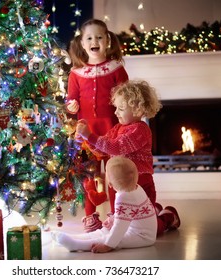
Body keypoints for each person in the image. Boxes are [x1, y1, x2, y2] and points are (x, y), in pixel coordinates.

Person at [76, 80, 180, 235]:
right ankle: (153, 209)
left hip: (140, 182)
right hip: (118, 182)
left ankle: (168, 216)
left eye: (121, 108)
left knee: (148, 229)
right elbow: (101, 151)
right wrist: (85, 139)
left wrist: (89, 135)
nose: (116, 112)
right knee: (120, 222)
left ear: (138, 110)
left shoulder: (140, 130)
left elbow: (116, 147)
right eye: (116, 108)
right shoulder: (118, 128)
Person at [65, 18, 129, 230]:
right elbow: (70, 99)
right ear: (82, 43)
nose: (95, 41)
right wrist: (71, 106)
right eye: (90, 38)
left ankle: (115, 214)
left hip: (112, 133)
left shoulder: (116, 68)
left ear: (107, 40)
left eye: (99, 37)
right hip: (85, 134)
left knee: (114, 174)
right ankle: (90, 216)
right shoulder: (76, 72)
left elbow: (126, 98)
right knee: (87, 175)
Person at [51, 156, 157, 253]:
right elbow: (129, 212)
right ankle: (76, 237)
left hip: (143, 236)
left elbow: (120, 227)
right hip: (137, 230)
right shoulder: (135, 187)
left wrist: (108, 245)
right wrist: (112, 219)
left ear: (110, 184)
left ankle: (76, 244)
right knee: (105, 230)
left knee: (113, 238)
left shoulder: (123, 197)